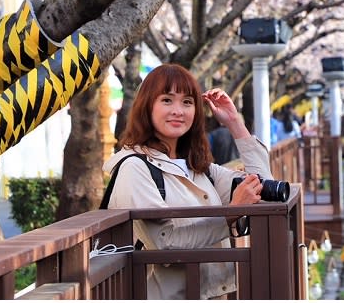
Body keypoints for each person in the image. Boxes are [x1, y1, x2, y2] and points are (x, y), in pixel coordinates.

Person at [102, 63, 273, 299]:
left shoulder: (200, 170)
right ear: (147, 106)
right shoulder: (134, 167)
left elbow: (263, 187)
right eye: (167, 100)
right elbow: (164, 243)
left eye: (187, 102)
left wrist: (235, 123)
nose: (178, 111)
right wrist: (230, 214)